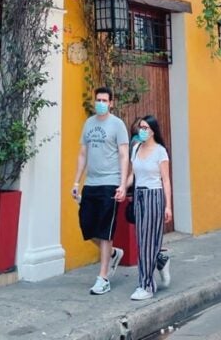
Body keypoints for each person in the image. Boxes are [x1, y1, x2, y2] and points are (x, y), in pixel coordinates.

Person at [72, 86, 129, 295]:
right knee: (86, 226)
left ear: (111, 103)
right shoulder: (89, 123)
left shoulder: (117, 125)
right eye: (98, 100)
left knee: (105, 231)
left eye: (105, 100)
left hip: (110, 183)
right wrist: (76, 182)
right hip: (91, 183)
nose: (101, 103)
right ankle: (113, 254)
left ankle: (103, 277)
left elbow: (124, 155)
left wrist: (122, 184)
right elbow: (82, 154)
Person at [126, 114, 172, 301]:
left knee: (148, 241)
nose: (142, 131)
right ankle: (161, 260)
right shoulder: (135, 148)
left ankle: (146, 285)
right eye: (140, 127)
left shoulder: (160, 151)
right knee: (142, 239)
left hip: (154, 195)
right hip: (139, 195)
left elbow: (166, 180)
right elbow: (132, 175)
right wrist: (122, 187)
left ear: (153, 131)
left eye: (145, 128)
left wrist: (168, 206)